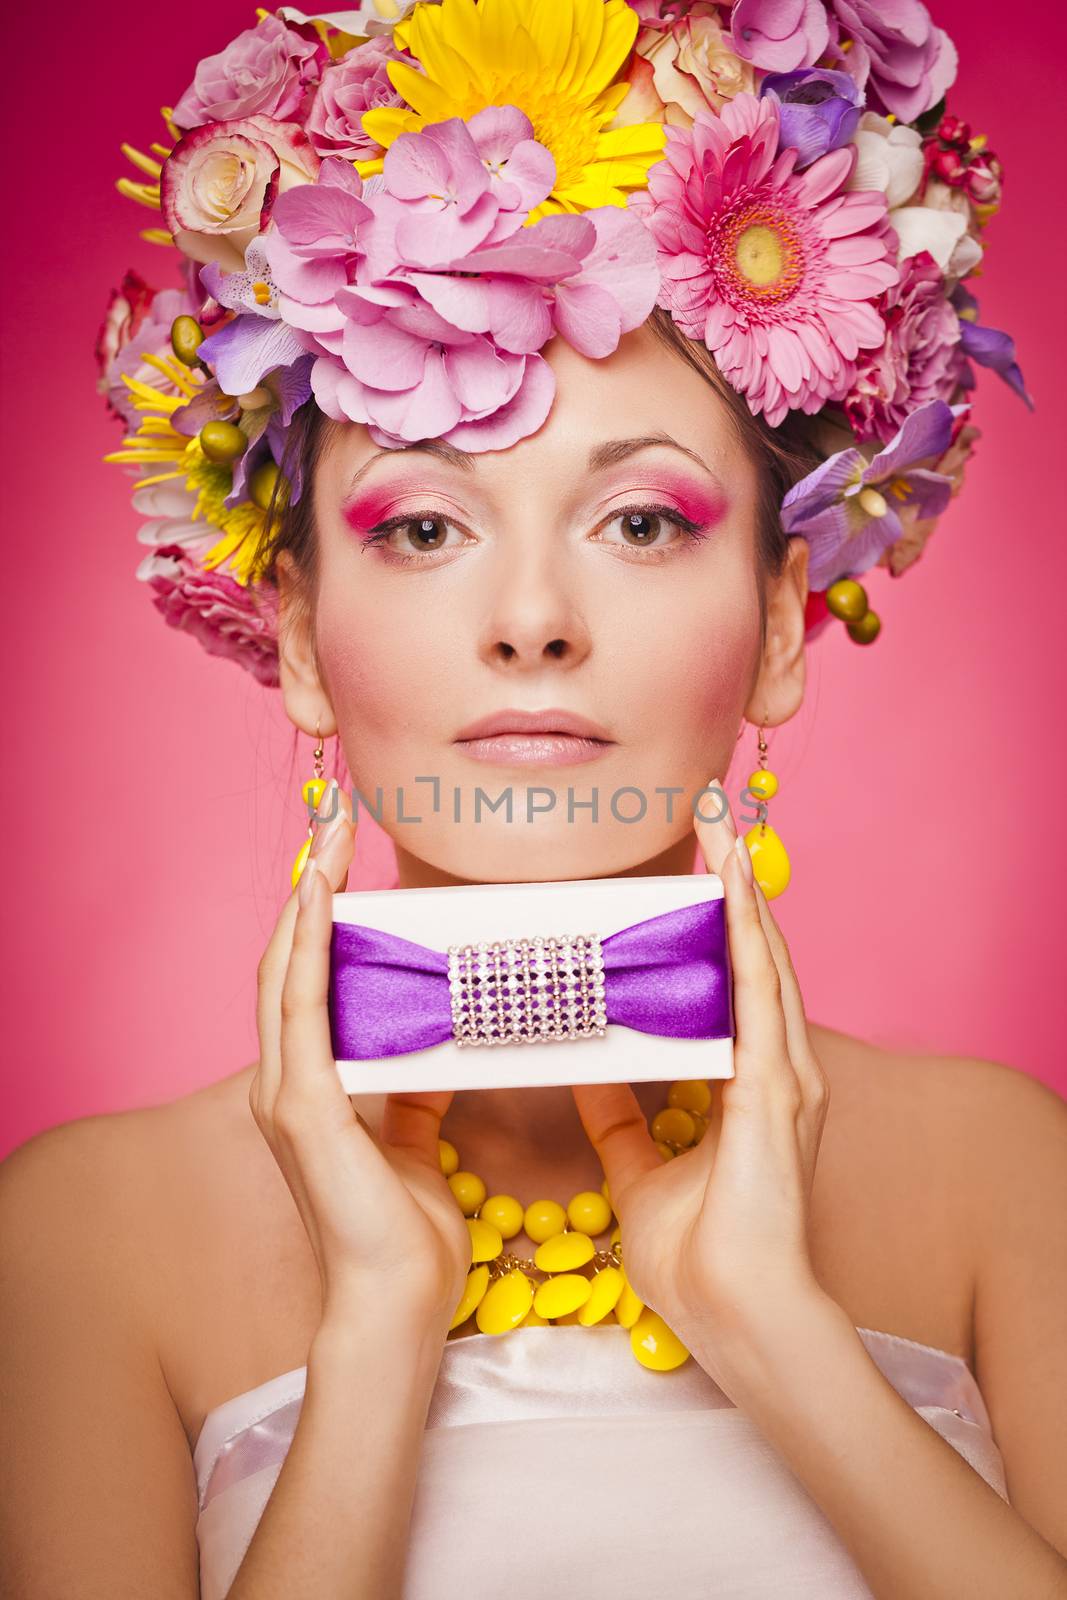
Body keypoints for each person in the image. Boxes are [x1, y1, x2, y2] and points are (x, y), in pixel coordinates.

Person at [2, 2, 1065, 1597]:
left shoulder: (1004, 1173)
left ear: (779, 622)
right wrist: (373, 1331)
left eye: (641, 522)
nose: (532, 619)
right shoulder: (86, 1236)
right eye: (425, 529)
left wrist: (772, 1325)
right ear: (298, 638)